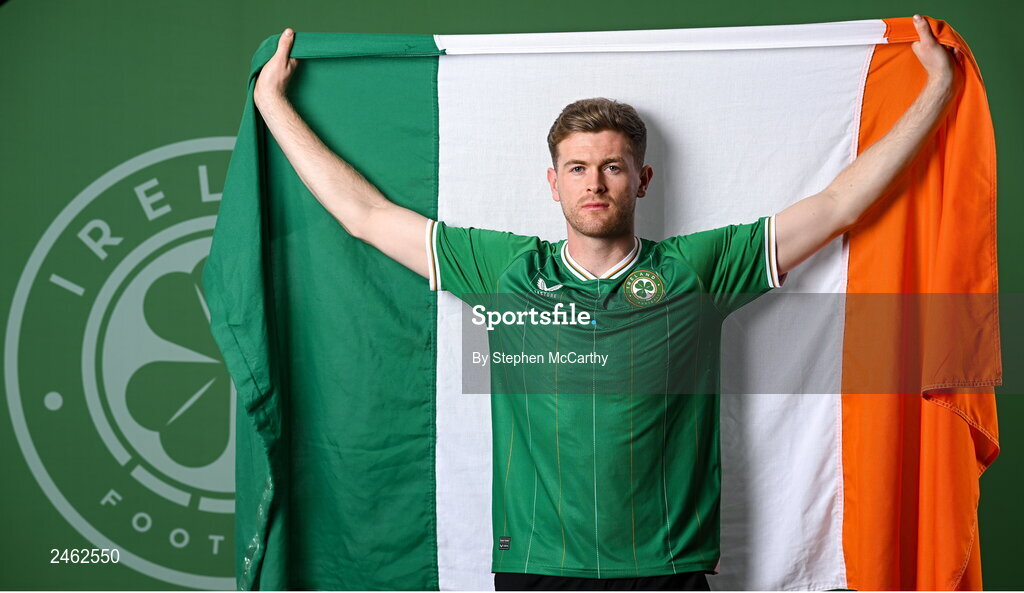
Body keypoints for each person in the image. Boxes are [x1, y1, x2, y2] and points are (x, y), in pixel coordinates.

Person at [252, 16, 957, 591]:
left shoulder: (697, 270)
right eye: (579, 169)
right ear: (552, 182)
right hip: (535, 568)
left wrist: (935, 90)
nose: (596, 183)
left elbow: (837, 204)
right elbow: (366, 216)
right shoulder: (505, 268)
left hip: (665, 570)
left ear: (641, 178)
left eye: (613, 167)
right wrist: (272, 105)